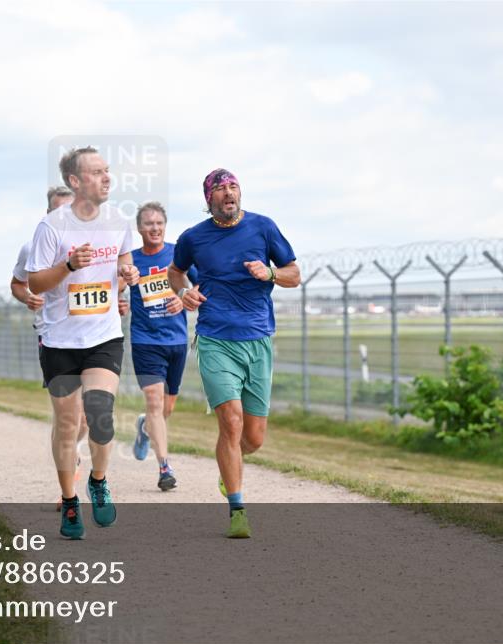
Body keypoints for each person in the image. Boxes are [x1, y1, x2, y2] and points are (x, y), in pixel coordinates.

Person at [169, 168, 300, 539]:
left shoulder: (263, 227)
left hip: (258, 339)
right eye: (220, 189)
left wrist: (270, 274)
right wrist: (183, 293)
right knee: (231, 421)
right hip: (214, 338)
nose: (228, 193)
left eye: (233, 187)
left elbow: (294, 273)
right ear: (208, 199)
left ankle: (230, 471)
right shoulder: (193, 238)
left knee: (254, 438)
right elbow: (175, 273)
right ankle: (238, 509)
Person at [26, 146, 140, 540]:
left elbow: (124, 268)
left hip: (103, 335)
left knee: (100, 412)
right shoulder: (52, 227)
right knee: (68, 422)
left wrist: (128, 274)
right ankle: (70, 500)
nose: (107, 177)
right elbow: (35, 283)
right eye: (96, 172)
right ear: (75, 182)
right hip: (60, 340)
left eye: (108, 170)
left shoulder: (119, 220)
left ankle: (98, 479)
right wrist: (70, 265)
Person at [11, 185, 89, 510]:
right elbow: (17, 283)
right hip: (53, 337)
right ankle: (67, 489)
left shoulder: (90, 247)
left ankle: (73, 453)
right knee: (67, 417)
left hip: (90, 337)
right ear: (47, 215)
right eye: (58, 212)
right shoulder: (32, 247)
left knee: (85, 420)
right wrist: (26, 295)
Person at [125, 201, 198, 491]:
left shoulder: (177, 255)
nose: (154, 228)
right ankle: (164, 468)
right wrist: (121, 289)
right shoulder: (129, 259)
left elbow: (199, 287)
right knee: (155, 403)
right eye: (148, 224)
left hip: (176, 340)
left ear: (164, 226)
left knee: (165, 410)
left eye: (159, 223)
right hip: (145, 341)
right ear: (139, 228)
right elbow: (113, 288)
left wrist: (184, 299)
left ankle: (144, 428)